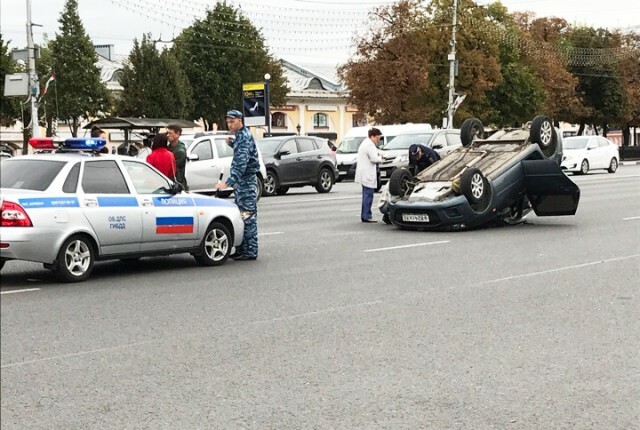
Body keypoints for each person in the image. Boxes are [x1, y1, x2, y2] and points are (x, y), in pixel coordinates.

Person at [214, 110, 260, 261]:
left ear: (240, 120)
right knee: (241, 216)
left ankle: (250, 250)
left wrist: (227, 183)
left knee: (247, 216)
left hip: (246, 182)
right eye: (228, 122)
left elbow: (242, 163)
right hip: (243, 182)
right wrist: (232, 143)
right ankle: (242, 249)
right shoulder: (241, 136)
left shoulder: (243, 136)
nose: (229, 124)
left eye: (232, 121)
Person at [355, 127, 383, 223]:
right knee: (368, 195)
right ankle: (367, 215)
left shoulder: (365, 143)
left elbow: (375, 152)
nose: (378, 140)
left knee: (365, 195)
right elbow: (374, 158)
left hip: (364, 173)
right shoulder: (370, 145)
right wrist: (382, 158)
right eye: (377, 138)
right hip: (368, 174)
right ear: (372, 136)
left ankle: (365, 215)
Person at [166, 124, 188, 190]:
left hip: (177, 184)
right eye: (167, 133)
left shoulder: (180, 151)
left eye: (170, 133)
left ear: (177, 134)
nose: (167, 135)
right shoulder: (168, 148)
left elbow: (172, 167)